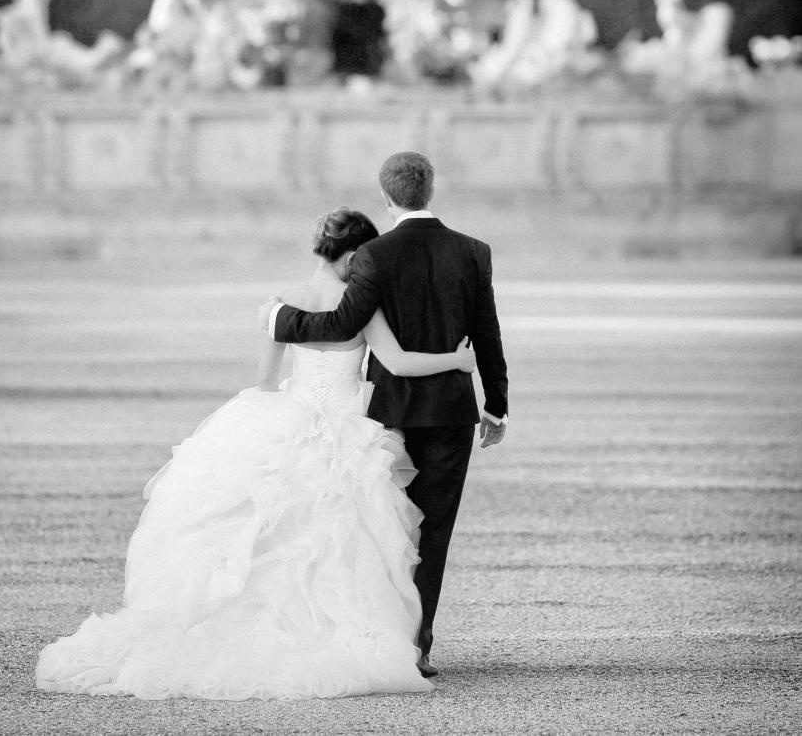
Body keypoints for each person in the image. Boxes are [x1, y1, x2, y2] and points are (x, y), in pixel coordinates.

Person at [35, 208, 475, 701]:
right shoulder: (362, 304)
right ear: (353, 256)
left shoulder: (282, 304)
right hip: (347, 430)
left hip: (292, 414)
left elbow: (265, 382)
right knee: (345, 537)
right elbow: (396, 362)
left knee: (266, 530)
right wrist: (457, 359)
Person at [261, 151, 508, 677]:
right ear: (431, 190)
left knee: (385, 531)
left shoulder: (373, 254)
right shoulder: (474, 251)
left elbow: (343, 323)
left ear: (388, 196)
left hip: (388, 414)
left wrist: (282, 320)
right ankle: (415, 648)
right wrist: (497, 405)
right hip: (451, 411)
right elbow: (487, 331)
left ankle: (381, 636)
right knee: (432, 531)